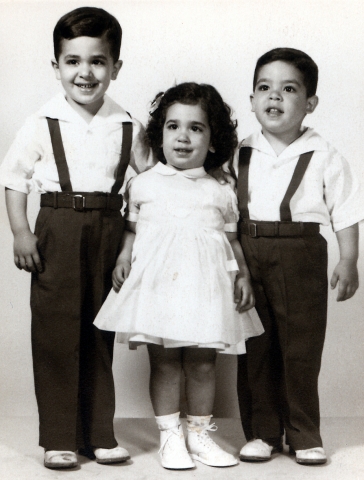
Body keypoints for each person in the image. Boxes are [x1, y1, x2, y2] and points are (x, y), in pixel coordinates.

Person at [0, 7, 153, 470]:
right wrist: (22, 231)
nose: (85, 72)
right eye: (72, 61)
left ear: (116, 68)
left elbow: (150, 184)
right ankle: (59, 437)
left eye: (98, 61)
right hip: (57, 229)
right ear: (56, 67)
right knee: (56, 333)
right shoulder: (41, 121)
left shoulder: (128, 125)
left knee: (99, 330)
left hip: (109, 229)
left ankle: (99, 434)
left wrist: (133, 242)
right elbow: (14, 179)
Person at [94, 82, 264, 470]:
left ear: (213, 138)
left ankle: (200, 435)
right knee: (166, 362)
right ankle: (170, 437)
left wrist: (242, 277)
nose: (183, 137)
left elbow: (232, 241)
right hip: (159, 288)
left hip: (206, 288)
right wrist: (123, 256)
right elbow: (133, 231)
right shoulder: (144, 183)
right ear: (160, 133)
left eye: (196, 128)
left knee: (204, 364)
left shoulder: (221, 188)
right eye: (173, 127)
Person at [234, 48, 362, 466]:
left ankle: (304, 433)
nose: (275, 97)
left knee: (300, 347)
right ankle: (262, 433)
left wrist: (348, 260)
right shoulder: (238, 152)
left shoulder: (325, 154)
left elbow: (344, 211)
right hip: (248, 252)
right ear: (252, 98)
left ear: (309, 103)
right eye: (264, 88)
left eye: (289, 89)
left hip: (301, 251)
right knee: (256, 343)